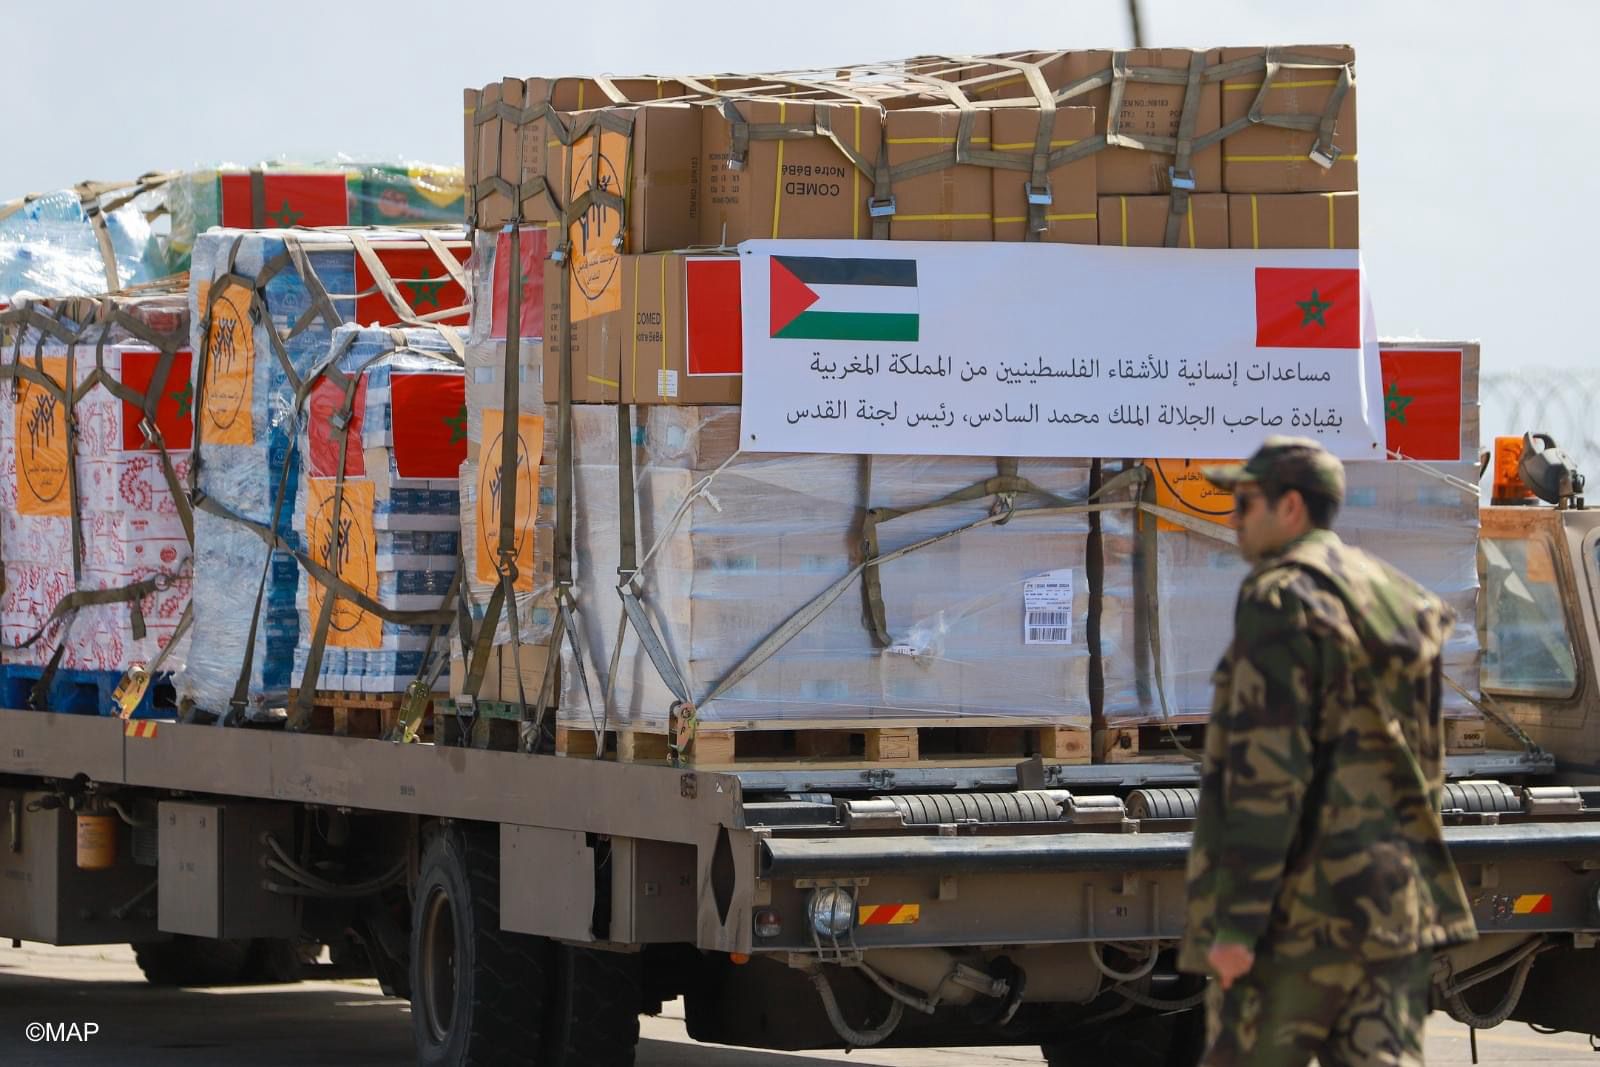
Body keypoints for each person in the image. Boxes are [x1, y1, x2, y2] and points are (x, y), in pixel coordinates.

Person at [1177, 437, 1477, 1067]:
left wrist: (1238, 925)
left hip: (1298, 920)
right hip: (1389, 909)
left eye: (1245, 502)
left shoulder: (1280, 598)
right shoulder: (1398, 596)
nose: (1233, 517)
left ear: (1290, 507)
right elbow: (1427, 763)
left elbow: (1266, 775)